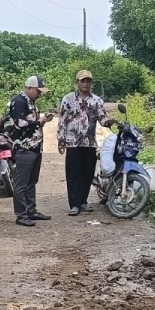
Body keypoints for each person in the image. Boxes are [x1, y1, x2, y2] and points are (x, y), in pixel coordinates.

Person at [57, 70, 117, 216]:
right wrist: (61, 140)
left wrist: (110, 122)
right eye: (82, 81)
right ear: (77, 82)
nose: (85, 83)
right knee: (73, 174)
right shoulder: (68, 99)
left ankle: (83, 202)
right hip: (72, 143)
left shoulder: (96, 101)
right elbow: (62, 121)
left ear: (91, 83)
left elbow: (102, 119)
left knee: (88, 173)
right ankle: (74, 204)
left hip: (89, 142)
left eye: (88, 81)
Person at [7, 75, 54, 227]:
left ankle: (31, 211)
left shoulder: (31, 102)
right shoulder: (18, 102)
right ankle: (21, 215)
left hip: (34, 147)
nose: (40, 94)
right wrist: (38, 122)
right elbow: (19, 123)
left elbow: (32, 125)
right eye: (38, 91)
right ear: (29, 88)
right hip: (24, 148)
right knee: (21, 183)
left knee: (32, 181)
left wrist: (43, 121)